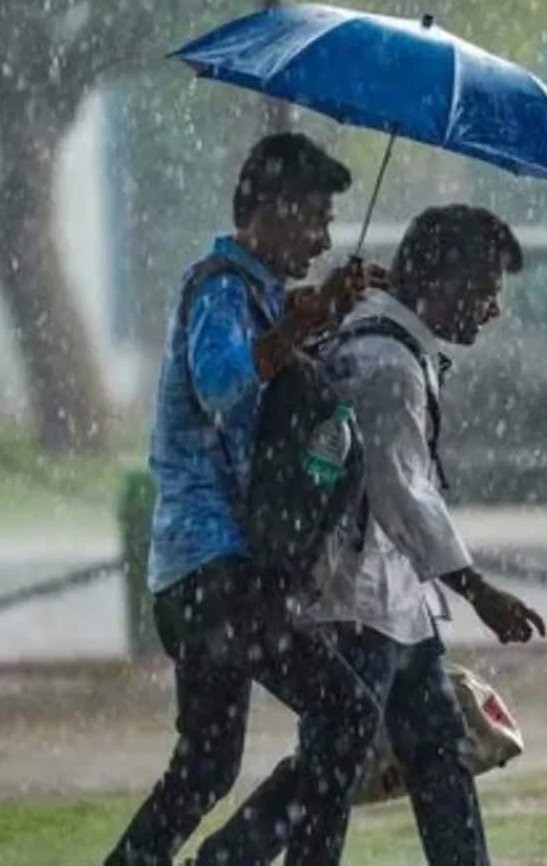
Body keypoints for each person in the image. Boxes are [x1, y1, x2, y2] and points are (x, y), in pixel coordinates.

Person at [108, 132, 391, 866]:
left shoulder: (256, 296)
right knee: (347, 714)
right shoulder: (220, 289)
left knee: (206, 766)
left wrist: (320, 316)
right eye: (317, 218)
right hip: (217, 571)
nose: (324, 238)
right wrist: (295, 327)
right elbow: (224, 386)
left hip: (197, 578)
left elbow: (279, 398)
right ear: (275, 209)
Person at [268, 204, 546, 865]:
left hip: (393, 601)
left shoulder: (374, 335)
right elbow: (403, 495)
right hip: (357, 601)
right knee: (334, 774)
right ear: (441, 285)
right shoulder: (388, 367)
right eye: (484, 291)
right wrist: (479, 591)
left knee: (433, 754)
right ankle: (229, 854)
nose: (493, 309)